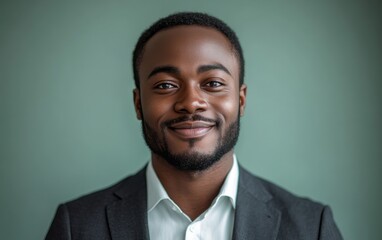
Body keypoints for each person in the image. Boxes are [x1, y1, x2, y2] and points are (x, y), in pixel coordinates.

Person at [46, 12, 343, 240]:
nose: (191, 102)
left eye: (213, 83)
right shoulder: (77, 225)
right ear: (138, 104)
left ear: (241, 100)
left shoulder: (311, 227)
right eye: (165, 85)